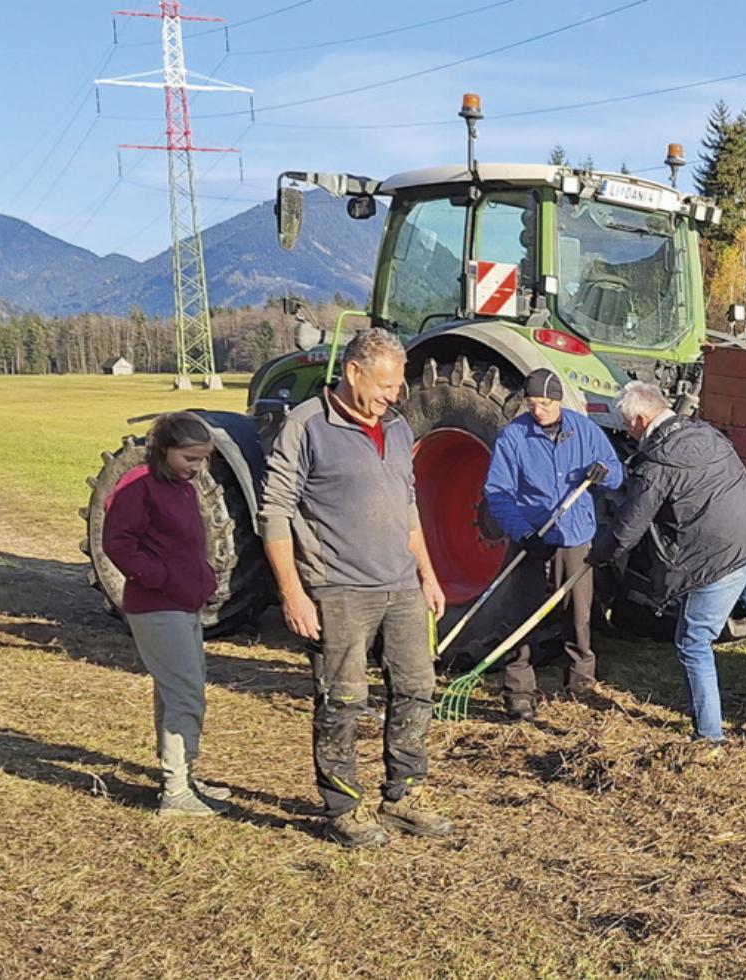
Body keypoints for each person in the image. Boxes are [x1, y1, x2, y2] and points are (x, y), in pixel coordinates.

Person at [259, 329, 455, 849]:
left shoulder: (394, 429)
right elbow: (274, 513)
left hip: (401, 587)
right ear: (353, 372)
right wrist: (293, 593)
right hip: (338, 589)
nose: (394, 395)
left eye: (398, 386)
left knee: (416, 689)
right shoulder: (306, 426)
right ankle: (343, 806)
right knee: (343, 699)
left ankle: (404, 796)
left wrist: (427, 573)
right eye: (386, 384)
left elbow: (406, 506)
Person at [587, 381, 746, 749]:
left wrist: (598, 553)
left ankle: (709, 737)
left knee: (693, 641)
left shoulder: (657, 462)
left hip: (722, 559)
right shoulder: (705, 433)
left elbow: (629, 527)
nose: (628, 432)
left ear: (642, 420)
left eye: (628, 425)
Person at [101, 411, 230, 818]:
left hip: (183, 602)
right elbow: (117, 544)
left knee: (174, 693)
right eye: (190, 458)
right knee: (185, 695)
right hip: (157, 607)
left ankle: (181, 774)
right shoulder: (138, 487)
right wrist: (164, 579)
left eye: (203, 459)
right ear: (163, 450)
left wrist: (201, 579)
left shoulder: (181, 486)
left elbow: (189, 544)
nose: (198, 468)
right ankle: (176, 792)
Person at [481, 368, 623, 721]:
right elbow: (498, 493)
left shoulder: (585, 431)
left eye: (544, 403)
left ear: (558, 400)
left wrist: (602, 473)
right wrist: (522, 532)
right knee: (523, 615)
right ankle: (519, 690)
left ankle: (580, 684)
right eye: (531, 403)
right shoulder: (513, 437)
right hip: (532, 536)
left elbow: (617, 474)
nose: (538, 410)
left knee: (579, 615)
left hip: (575, 536)